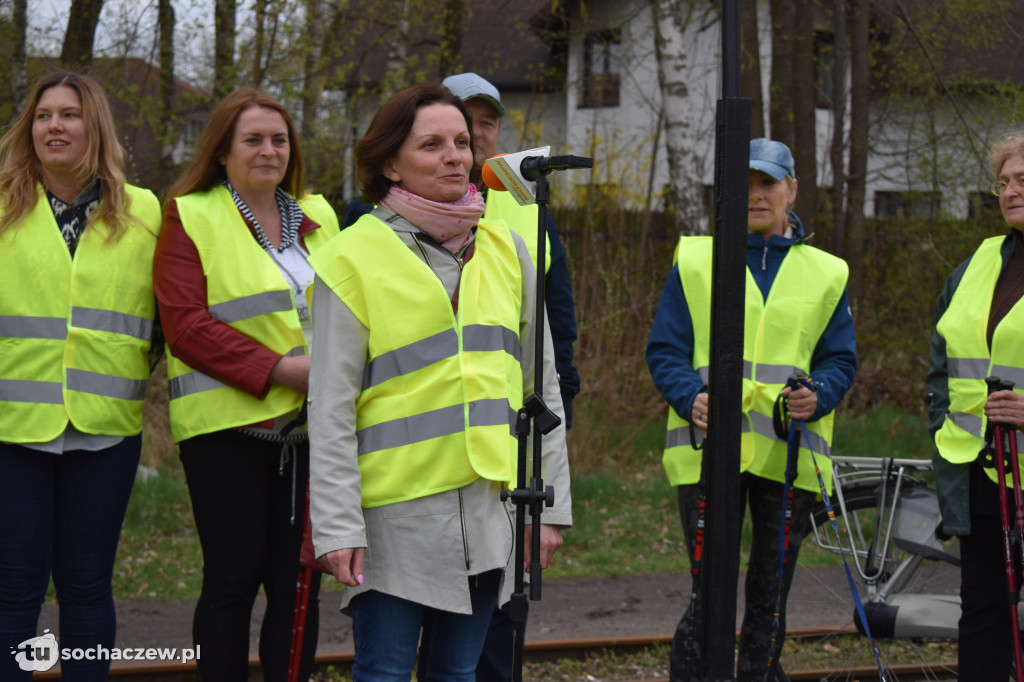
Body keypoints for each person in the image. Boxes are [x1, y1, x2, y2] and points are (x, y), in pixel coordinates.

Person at [307, 82, 572, 681]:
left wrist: (549, 507)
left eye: (460, 141)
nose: (455, 155)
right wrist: (337, 525)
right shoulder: (351, 257)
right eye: (431, 144)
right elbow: (329, 407)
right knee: (385, 673)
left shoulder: (508, 248)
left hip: (488, 508)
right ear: (388, 163)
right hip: (392, 516)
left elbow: (542, 388)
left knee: (457, 675)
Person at [646, 138, 857, 681]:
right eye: (743, 185)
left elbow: (839, 360)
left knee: (771, 596)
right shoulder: (696, 259)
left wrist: (821, 393)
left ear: (792, 189)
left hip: (788, 458)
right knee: (708, 593)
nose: (755, 195)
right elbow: (665, 350)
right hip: (707, 454)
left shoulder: (828, 272)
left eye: (767, 183)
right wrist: (689, 397)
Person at [153, 87, 339, 681]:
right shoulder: (192, 213)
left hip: (312, 435)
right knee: (232, 583)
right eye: (252, 139)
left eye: (279, 139)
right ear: (223, 151)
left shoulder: (321, 217)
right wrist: (283, 370)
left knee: (298, 586)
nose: (268, 150)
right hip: (228, 435)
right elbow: (186, 326)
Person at [0, 70, 162, 681]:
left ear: (94, 126)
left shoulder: (143, 210)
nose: (54, 126)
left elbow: (164, 314)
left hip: (105, 429)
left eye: (69, 114)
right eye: (43, 116)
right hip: (12, 428)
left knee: (88, 586)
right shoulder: (1, 203)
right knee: (15, 590)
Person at [928, 131, 1024, 681]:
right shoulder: (978, 265)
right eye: (1003, 182)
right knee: (984, 617)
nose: (1010, 191)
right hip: (981, 476)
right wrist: (943, 429)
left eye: (1022, 180)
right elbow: (940, 366)